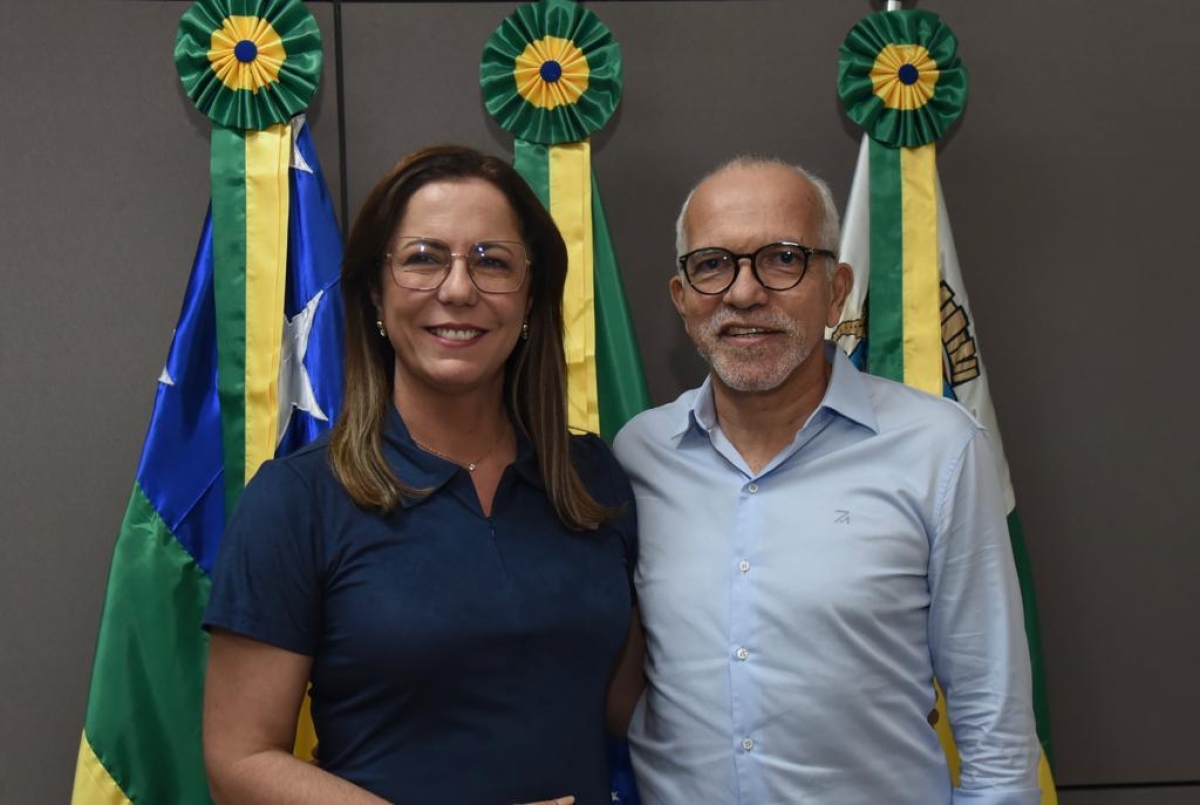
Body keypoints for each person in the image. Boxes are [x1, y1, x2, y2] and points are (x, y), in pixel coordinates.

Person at [202, 145, 639, 805]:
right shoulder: (297, 501)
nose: (458, 289)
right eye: (423, 258)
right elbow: (238, 759)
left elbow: (636, 707)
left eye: (492, 261)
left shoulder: (593, 480)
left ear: (531, 298)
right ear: (375, 296)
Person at [613, 155, 1041, 804]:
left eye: (783, 259)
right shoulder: (639, 454)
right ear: (682, 298)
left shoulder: (938, 449)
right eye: (713, 264)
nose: (744, 293)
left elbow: (994, 725)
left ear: (837, 289)